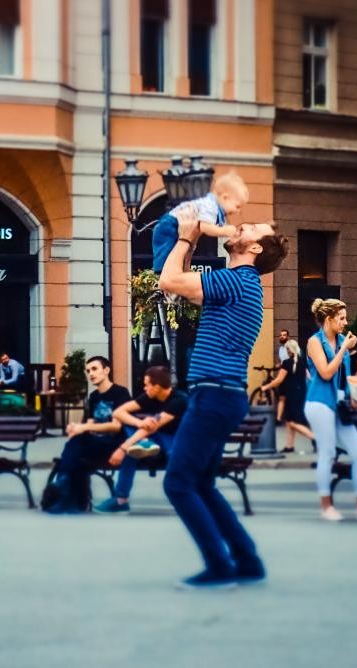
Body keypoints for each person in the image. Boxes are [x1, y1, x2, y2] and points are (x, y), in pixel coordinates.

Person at [158, 212, 288, 589]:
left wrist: (184, 238)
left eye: (250, 229)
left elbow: (168, 282)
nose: (240, 226)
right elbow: (184, 286)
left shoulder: (236, 281)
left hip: (213, 394)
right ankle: (247, 560)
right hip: (223, 395)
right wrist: (192, 244)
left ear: (254, 247)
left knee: (178, 484)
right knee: (202, 484)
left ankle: (219, 565)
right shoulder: (241, 285)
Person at [305, 299, 357, 522]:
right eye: (342, 318)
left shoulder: (341, 341)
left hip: (339, 405)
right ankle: (326, 506)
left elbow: (343, 380)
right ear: (329, 319)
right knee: (327, 454)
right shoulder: (314, 342)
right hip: (319, 403)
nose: (346, 323)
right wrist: (344, 349)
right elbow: (327, 373)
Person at [43, 356, 131, 514]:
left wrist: (83, 428)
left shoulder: (120, 393)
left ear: (106, 370)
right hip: (95, 443)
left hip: (113, 444)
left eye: (95, 369)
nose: (91, 374)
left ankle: (63, 489)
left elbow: (116, 426)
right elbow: (91, 424)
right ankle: (71, 497)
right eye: (88, 370)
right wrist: (77, 427)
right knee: (76, 445)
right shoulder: (94, 397)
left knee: (76, 447)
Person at [94, 365, 188, 513]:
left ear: (156, 387)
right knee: (133, 448)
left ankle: (183, 497)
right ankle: (121, 500)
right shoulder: (150, 396)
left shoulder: (179, 401)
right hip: (153, 439)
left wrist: (122, 448)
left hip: (176, 440)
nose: (144, 389)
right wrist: (140, 422)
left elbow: (152, 427)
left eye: (146, 385)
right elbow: (118, 412)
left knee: (133, 448)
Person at [150, 170, 248, 273]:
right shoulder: (210, 205)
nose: (238, 211)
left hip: (176, 225)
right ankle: (163, 270)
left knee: (179, 251)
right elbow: (205, 227)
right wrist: (224, 231)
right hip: (170, 224)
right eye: (237, 206)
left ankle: (177, 269)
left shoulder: (213, 206)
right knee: (167, 251)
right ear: (225, 198)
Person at [262, 339, 313, 454]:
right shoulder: (302, 361)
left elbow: (279, 380)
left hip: (291, 394)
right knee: (291, 420)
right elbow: (309, 378)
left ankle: (315, 438)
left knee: (291, 422)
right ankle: (289, 446)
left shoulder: (287, 363)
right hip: (301, 393)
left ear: (289, 350)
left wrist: (266, 387)